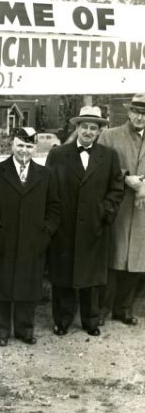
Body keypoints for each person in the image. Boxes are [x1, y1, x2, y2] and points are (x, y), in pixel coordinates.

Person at [0, 127, 61, 346]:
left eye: (29, 146)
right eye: (20, 145)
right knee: (2, 286)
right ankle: (2, 331)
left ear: (35, 148)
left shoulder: (46, 175)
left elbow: (54, 208)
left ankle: (25, 329)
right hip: (3, 239)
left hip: (33, 241)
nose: (24, 150)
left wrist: (47, 232)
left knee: (29, 284)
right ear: (12, 144)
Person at [46, 106, 124, 336]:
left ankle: (90, 321)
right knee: (63, 277)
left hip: (95, 228)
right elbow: (49, 189)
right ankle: (62, 320)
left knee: (91, 279)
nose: (88, 131)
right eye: (84, 127)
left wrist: (104, 214)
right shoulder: (58, 154)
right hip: (65, 228)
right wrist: (54, 222)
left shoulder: (109, 156)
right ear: (77, 128)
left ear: (99, 131)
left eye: (93, 127)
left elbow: (116, 189)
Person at [98, 93, 145, 325]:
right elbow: (98, 166)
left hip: (142, 209)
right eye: (136, 111)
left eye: (144, 113)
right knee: (112, 259)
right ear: (128, 112)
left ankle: (123, 309)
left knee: (137, 260)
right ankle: (101, 310)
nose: (140, 116)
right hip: (117, 207)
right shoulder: (109, 135)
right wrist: (126, 177)